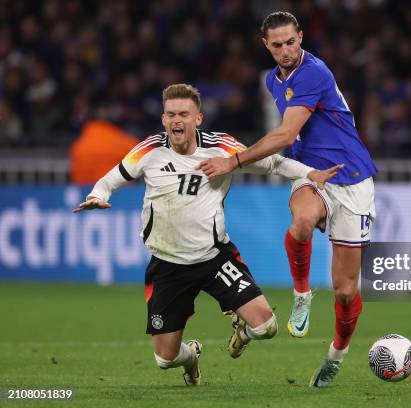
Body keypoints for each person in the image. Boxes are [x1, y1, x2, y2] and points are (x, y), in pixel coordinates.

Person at [73, 83, 340, 386]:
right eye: (171, 114)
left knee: (266, 327)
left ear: (198, 118)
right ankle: (192, 358)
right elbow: (112, 178)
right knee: (165, 359)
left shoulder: (223, 148)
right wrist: (98, 194)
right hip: (168, 265)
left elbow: (273, 163)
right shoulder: (149, 151)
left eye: (184, 114)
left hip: (214, 259)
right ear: (163, 120)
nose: (177, 120)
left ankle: (242, 331)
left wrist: (309, 174)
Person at [196, 12, 378, 387]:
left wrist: (234, 161)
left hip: (352, 178)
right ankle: (301, 294)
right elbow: (293, 139)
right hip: (313, 175)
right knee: (302, 220)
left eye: (290, 42)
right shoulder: (273, 80)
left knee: (345, 292)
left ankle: (336, 356)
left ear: (301, 38)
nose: (284, 50)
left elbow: (285, 134)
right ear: (266, 45)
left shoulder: (314, 72)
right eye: (276, 45)